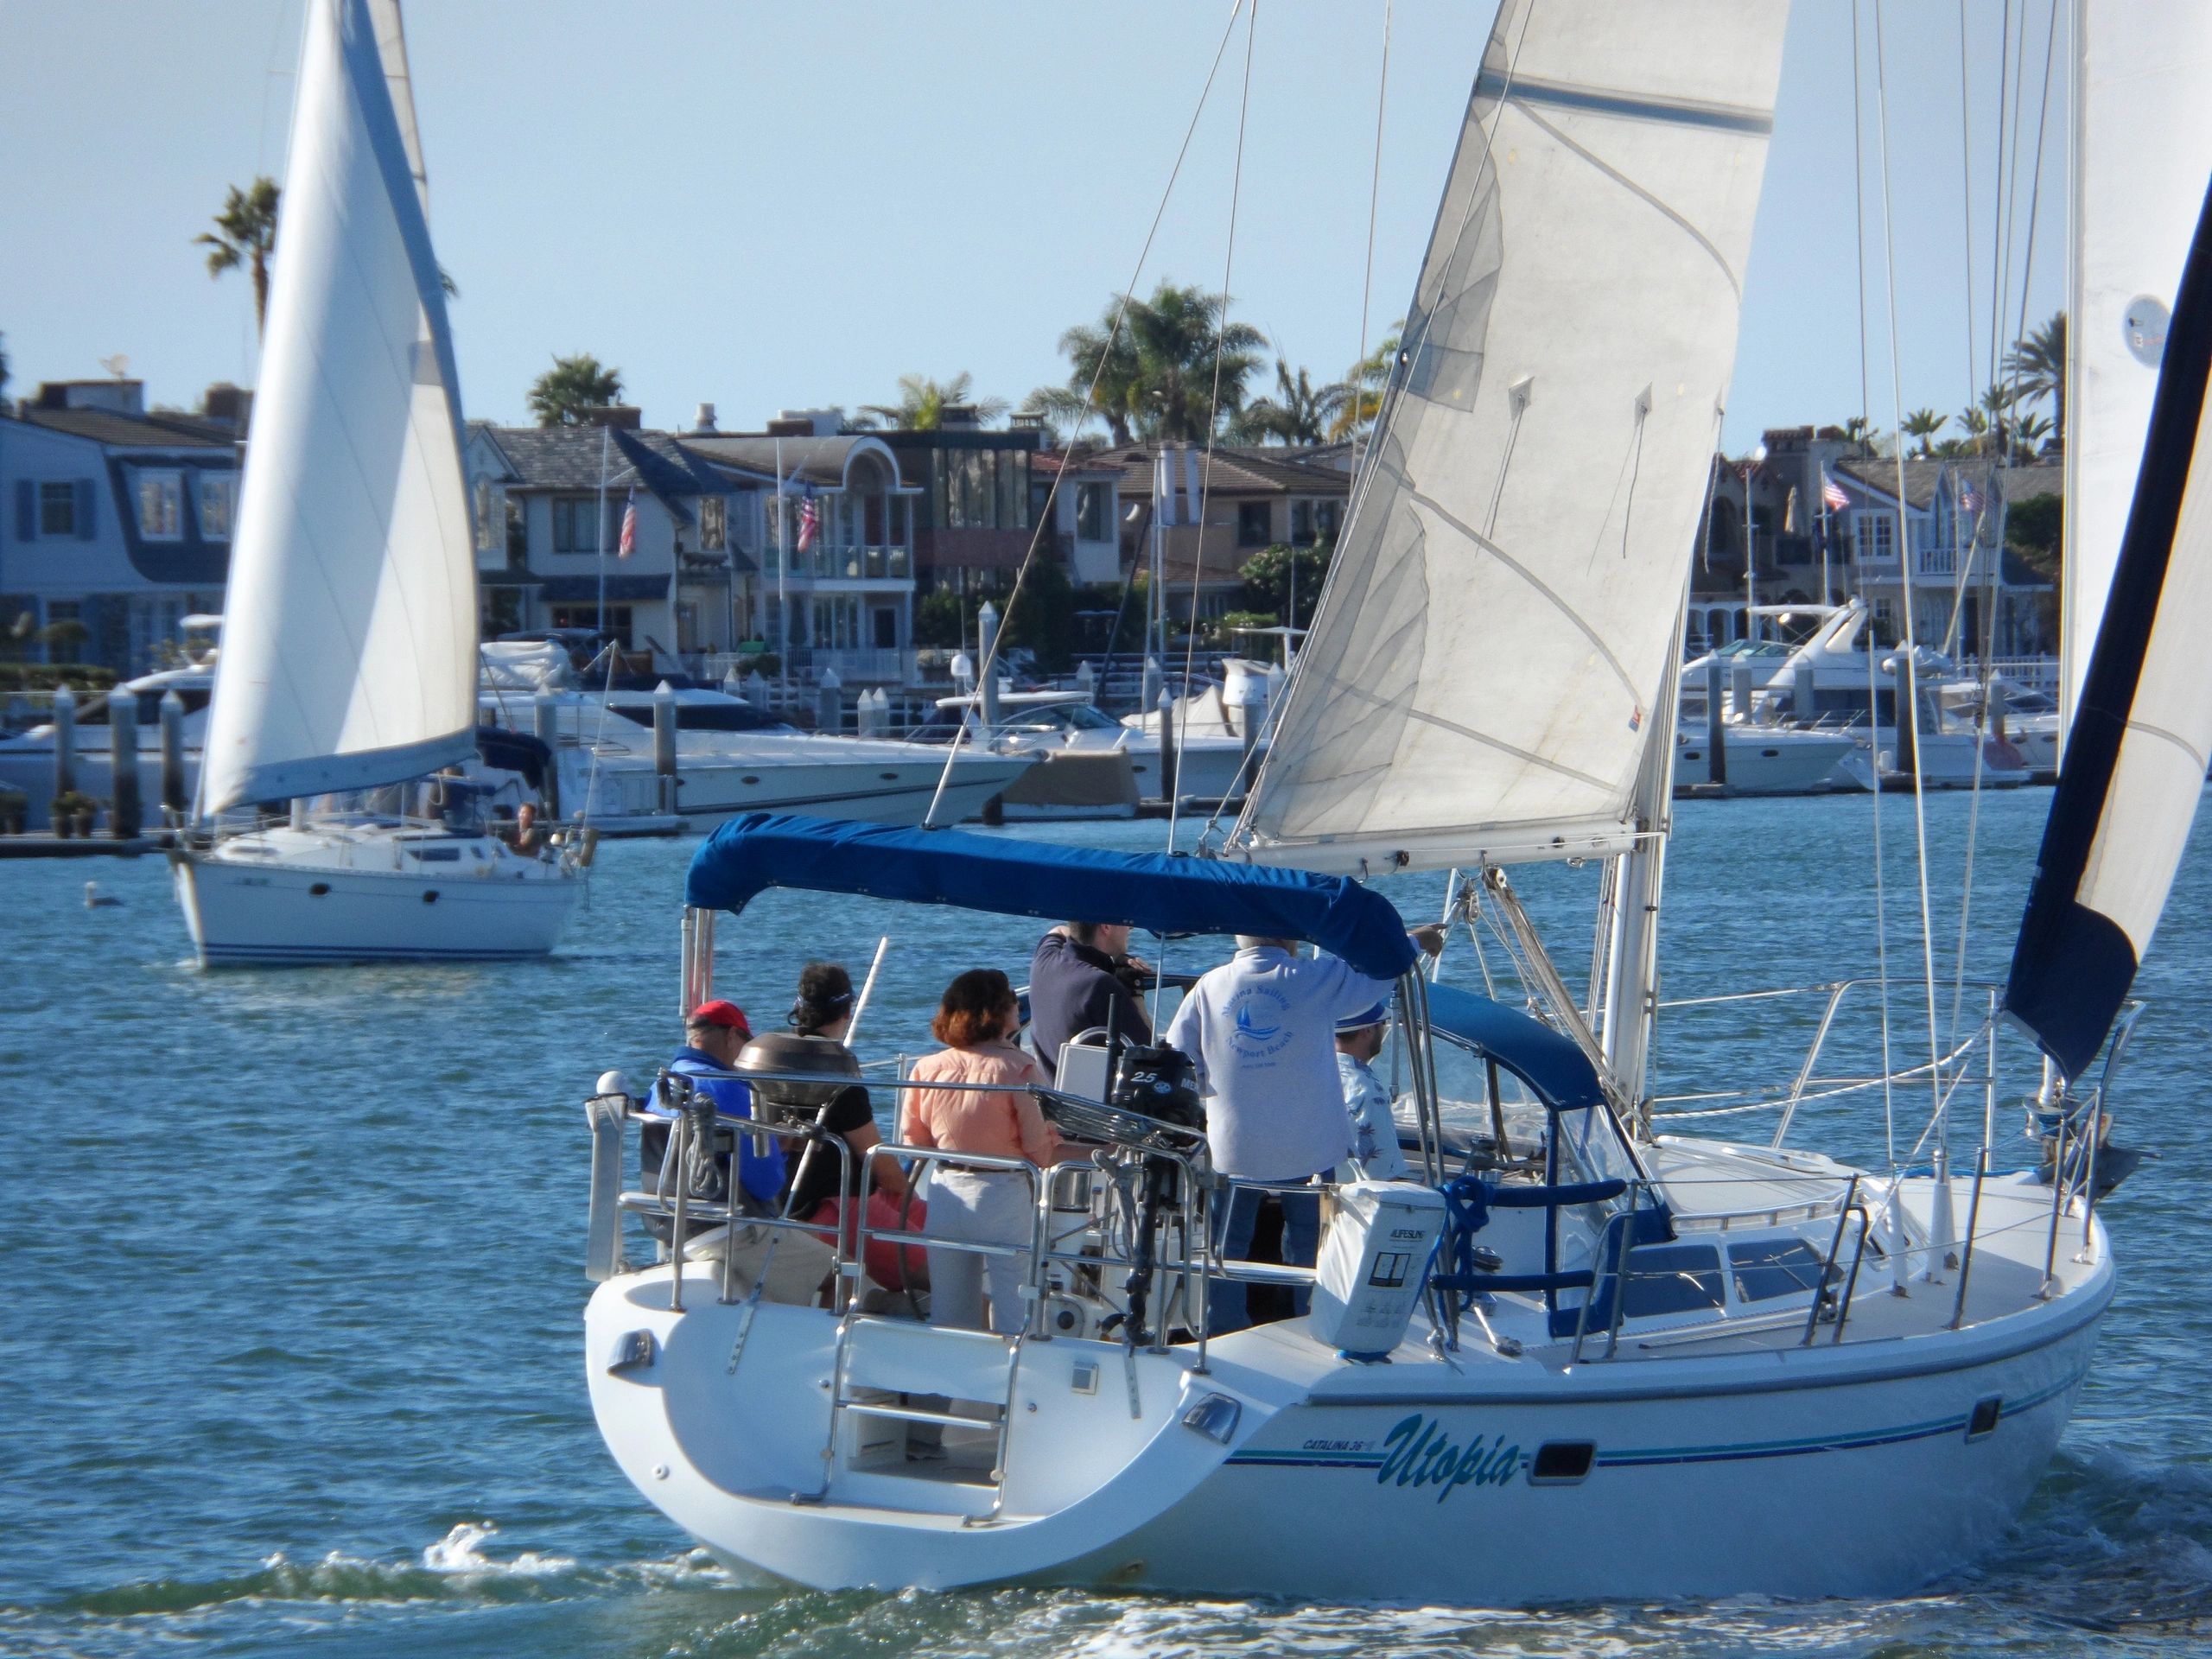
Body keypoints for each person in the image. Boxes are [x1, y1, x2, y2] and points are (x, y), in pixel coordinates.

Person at [1165, 926, 1444, 1334]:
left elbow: (1177, 1056)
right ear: (1290, 941)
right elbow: (1380, 973)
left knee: (1228, 1247)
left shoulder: (1208, 987)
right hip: (1308, 1147)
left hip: (1236, 1147)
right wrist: (1417, 940)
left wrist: (1219, 1084)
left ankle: (1223, 1328)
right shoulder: (1313, 977)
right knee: (1309, 1242)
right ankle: (1306, 1320)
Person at [642, 999, 836, 1306]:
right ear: (733, 1036)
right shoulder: (729, 1087)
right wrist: (780, 1151)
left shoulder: (662, 1086)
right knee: (844, 1271)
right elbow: (767, 1184)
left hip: (672, 1226)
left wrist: (772, 1144)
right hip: (727, 1228)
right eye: (746, 1042)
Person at [900, 969, 1062, 1335]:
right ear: (1002, 1012)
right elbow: (1040, 1152)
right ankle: (1012, 1385)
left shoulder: (926, 1068)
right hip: (1001, 1197)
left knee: (950, 1315)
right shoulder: (1018, 1069)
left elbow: (915, 1142)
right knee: (1016, 1310)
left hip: (945, 1194)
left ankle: (956, 1389)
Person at [783, 961, 926, 1292]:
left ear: (799, 1007)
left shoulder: (771, 1057)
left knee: (919, 1215)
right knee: (946, 1266)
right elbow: (877, 1158)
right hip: (838, 1205)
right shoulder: (839, 1070)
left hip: (786, 1200)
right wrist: (907, 1196)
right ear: (847, 1009)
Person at [1027, 921, 1152, 1084]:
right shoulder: (1102, 985)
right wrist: (1135, 991)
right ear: (1106, 926)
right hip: (1091, 1106)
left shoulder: (1044, 959)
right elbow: (1147, 1054)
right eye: (1126, 922)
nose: (1130, 928)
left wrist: (1113, 957)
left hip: (1049, 1099)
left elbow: (1057, 930)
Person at [1333, 1003, 1411, 1185]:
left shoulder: (1310, 1075)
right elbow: (1384, 1175)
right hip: (1347, 1204)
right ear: (1368, 1030)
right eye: (1383, 1023)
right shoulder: (1365, 1090)